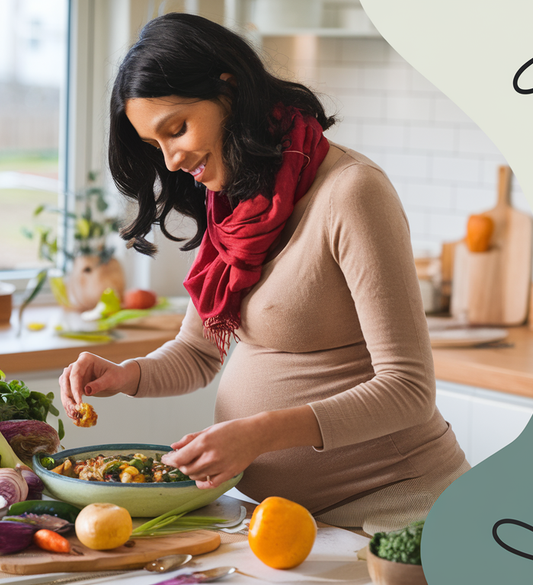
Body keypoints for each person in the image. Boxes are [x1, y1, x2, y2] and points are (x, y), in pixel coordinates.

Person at [59, 12, 469, 534]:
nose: (171, 158)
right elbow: (199, 351)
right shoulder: (234, 205)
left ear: (228, 89)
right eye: (154, 145)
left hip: (396, 513)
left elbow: (408, 389)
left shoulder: (351, 192)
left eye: (177, 129)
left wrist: (257, 434)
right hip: (285, 524)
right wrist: (126, 375)